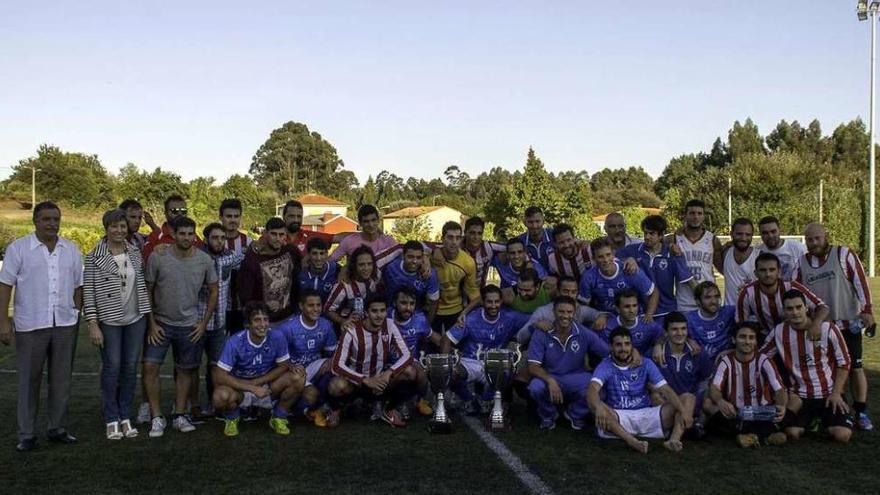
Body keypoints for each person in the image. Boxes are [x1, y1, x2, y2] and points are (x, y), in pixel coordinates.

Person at [0, 202, 83, 452]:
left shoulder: (71, 249)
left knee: (61, 380)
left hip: (65, 324)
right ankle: (26, 434)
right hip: (31, 324)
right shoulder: (19, 249)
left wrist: (76, 311)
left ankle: (57, 428)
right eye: (46, 219)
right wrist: (3, 322)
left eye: (56, 219)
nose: (52, 223)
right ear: (35, 221)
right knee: (29, 380)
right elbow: (5, 286)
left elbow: (79, 286)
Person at [142, 216, 218, 438]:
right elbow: (147, 289)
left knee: (185, 371)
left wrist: (203, 323)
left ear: (195, 236)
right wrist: (152, 323)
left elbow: (214, 290)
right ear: (173, 234)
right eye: (181, 233)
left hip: (189, 326)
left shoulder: (204, 260)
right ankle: (157, 416)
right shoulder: (159, 256)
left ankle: (180, 415)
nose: (186, 237)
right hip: (161, 325)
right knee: (150, 368)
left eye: (190, 234)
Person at [796, 222, 874, 430]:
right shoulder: (801, 263)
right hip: (820, 328)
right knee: (826, 370)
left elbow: (860, 282)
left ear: (826, 236)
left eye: (817, 238)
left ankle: (861, 411)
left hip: (848, 324)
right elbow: (796, 292)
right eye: (809, 240)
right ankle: (834, 410)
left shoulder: (844, 254)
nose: (813, 243)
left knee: (855, 368)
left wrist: (867, 310)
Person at [83, 209, 152, 440]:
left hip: (135, 319)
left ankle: (125, 416)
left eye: (122, 226)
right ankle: (111, 417)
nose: (119, 230)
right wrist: (93, 323)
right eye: (114, 226)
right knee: (112, 368)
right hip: (109, 321)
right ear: (106, 228)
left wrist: (147, 317)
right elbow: (89, 293)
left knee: (130, 368)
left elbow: (141, 286)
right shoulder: (93, 256)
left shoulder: (134, 252)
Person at [760, 290, 853, 443]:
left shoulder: (828, 329)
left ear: (806, 308)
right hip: (800, 395)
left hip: (829, 393)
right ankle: (813, 420)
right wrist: (732, 352)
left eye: (798, 307)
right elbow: (761, 357)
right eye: (789, 309)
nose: (795, 313)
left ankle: (823, 419)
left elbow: (844, 363)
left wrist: (836, 393)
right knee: (792, 433)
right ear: (784, 311)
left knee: (842, 436)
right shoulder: (779, 332)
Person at [588, 327, 692, 453]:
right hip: (620, 417)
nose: (623, 349)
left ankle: (673, 440)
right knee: (599, 407)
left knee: (688, 398)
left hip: (647, 414)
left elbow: (665, 389)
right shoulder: (606, 365)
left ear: (632, 345)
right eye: (618, 345)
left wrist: (683, 411)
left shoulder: (646, 363)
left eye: (627, 344)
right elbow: (592, 388)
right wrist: (598, 405)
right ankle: (632, 442)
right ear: (611, 347)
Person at [213, 301, 305, 437]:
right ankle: (232, 418)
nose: (262, 325)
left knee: (298, 378)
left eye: (265, 319)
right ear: (247, 324)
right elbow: (220, 375)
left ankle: (278, 416)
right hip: (240, 388)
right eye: (257, 320)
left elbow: (284, 365)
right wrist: (251, 387)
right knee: (219, 397)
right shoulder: (234, 342)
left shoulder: (277, 336)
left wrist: (257, 382)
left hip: (267, 387)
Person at [329, 294, 416, 427]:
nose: (379, 315)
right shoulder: (351, 329)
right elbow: (336, 365)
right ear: (366, 312)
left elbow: (407, 355)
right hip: (358, 383)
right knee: (336, 385)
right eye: (374, 311)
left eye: (382, 311)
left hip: (381, 381)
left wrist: (388, 373)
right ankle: (337, 409)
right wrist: (365, 380)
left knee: (410, 371)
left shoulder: (390, 325)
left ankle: (389, 408)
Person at [527, 296, 610, 430]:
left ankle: (574, 413)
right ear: (553, 312)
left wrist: (634, 353)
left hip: (576, 376)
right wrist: (550, 380)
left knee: (600, 390)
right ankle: (548, 414)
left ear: (575, 312)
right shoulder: (541, 332)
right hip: (551, 375)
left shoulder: (583, 332)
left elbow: (607, 352)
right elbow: (533, 366)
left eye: (569, 312)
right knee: (535, 387)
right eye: (561, 312)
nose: (565, 316)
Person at [441, 285, 528, 413]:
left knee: (510, 368)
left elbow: (535, 319)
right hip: (470, 362)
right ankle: (467, 399)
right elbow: (446, 339)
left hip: (494, 364)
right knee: (450, 372)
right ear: (482, 302)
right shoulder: (470, 319)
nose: (493, 305)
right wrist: (445, 362)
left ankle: (486, 400)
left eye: (496, 301)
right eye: (489, 301)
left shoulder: (510, 317)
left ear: (501, 301)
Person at [190, 222, 244, 419]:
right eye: (215, 237)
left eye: (222, 238)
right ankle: (194, 407)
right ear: (206, 239)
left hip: (219, 324)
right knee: (192, 366)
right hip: (196, 323)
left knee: (217, 367)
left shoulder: (229, 257)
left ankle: (216, 404)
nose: (219, 241)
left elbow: (247, 257)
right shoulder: (196, 258)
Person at [704, 321, 788, 448]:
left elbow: (779, 390)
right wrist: (721, 401)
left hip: (760, 412)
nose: (747, 341)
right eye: (742, 337)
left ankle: (747, 437)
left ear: (755, 341)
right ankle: (764, 437)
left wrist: (781, 406)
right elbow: (714, 387)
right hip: (735, 413)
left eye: (751, 338)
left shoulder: (764, 360)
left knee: (782, 411)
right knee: (708, 404)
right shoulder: (726, 361)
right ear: (734, 339)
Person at [275, 289, 338, 427]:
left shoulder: (325, 324)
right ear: (301, 306)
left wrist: (331, 361)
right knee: (311, 394)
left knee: (333, 364)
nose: (316, 309)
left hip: (312, 367)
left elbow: (332, 353)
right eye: (311, 305)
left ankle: (321, 407)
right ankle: (290, 407)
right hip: (292, 371)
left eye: (318, 305)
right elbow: (275, 356)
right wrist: (289, 366)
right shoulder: (287, 328)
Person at [618, 215, 693, 321]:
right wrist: (627, 259)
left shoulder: (672, 254)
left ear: (661, 235)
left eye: (652, 233)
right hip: (640, 313)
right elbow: (611, 258)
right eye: (645, 233)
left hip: (666, 312)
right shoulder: (633, 250)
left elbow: (687, 278)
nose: (647, 237)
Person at [736, 252, 828, 338]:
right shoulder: (747, 293)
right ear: (756, 273)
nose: (768, 274)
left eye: (772, 270)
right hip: (767, 336)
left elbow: (822, 307)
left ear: (779, 272)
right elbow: (740, 324)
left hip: (797, 334)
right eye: (763, 270)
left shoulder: (792, 287)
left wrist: (816, 324)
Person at [654, 312, 712, 437]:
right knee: (654, 396)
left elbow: (706, 380)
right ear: (666, 332)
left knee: (696, 396)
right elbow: (649, 383)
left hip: (691, 402)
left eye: (683, 329)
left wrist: (699, 398)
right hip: (667, 404)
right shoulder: (656, 355)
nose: (680, 333)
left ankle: (680, 432)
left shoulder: (698, 353)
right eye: (674, 329)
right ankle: (687, 427)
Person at [389, 287, 440, 419]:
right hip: (386, 362)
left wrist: (451, 349)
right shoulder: (385, 316)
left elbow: (433, 337)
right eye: (404, 303)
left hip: (410, 360)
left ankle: (420, 401)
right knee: (409, 372)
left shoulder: (419, 319)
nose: (408, 307)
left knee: (420, 373)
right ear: (395, 303)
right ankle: (390, 402)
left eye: (412, 304)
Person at [238, 217, 302, 322]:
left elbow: (304, 267)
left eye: (281, 234)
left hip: (290, 317)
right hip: (263, 321)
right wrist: (264, 305)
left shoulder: (291, 251)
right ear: (265, 234)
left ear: (286, 235)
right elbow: (245, 298)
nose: (278, 238)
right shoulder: (252, 260)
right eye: (273, 234)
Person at [516, 275, 607, 346]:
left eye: (573, 292)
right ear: (558, 292)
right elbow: (520, 338)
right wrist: (535, 325)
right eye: (566, 291)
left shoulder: (581, 310)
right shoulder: (542, 312)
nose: (569, 295)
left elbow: (601, 314)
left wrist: (602, 317)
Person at [579, 238, 658, 318]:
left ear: (613, 254)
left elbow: (654, 292)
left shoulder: (630, 269)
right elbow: (583, 306)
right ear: (593, 258)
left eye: (608, 255)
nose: (606, 260)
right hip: (607, 319)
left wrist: (649, 315)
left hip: (633, 317)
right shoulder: (588, 277)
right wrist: (597, 316)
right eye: (600, 257)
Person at [672, 199, 724, 312]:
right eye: (692, 213)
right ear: (685, 216)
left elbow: (723, 268)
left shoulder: (712, 240)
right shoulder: (674, 239)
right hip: (684, 302)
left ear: (704, 216)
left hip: (708, 300)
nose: (696, 217)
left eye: (699, 213)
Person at [431, 221, 481, 335]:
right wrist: (434, 252)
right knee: (431, 349)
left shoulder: (468, 262)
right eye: (450, 237)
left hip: (455, 310)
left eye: (458, 238)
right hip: (431, 309)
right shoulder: (430, 256)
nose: (454, 242)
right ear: (442, 238)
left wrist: (464, 313)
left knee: (455, 349)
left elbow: (476, 296)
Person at [325, 245, 382, 329]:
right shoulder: (343, 286)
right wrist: (343, 321)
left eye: (369, 264)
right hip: (347, 330)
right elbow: (328, 310)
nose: (366, 268)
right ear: (354, 266)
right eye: (361, 265)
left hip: (367, 327)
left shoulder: (376, 276)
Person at [380, 240, 439, 321]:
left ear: (423, 258)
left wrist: (427, 324)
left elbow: (434, 303)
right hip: (391, 317)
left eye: (418, 258)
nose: (414, 261)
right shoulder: (390, 268)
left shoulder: (429, 274)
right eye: (410, 257)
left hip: (416, 318)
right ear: (403, 256)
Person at [219, 198, 252, 335]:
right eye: (228, 216)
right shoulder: (213, 242)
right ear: (221, 217)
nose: (233, 220)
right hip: (219, 306)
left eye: (236, 216)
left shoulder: (248, 242)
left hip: (241, 306)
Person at [685, 281, 736, 362]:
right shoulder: (689, 319)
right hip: (701, 365)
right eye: (708, 297)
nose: (714, 301)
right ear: (697, 301)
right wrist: (687, 340)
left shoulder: (729, 312)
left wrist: (732, 351)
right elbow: (670, 333)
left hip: (727, 362)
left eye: (716, 296)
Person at [602, 289, 663, 356]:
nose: (631, 310)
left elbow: (663, 335)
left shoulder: (646, 323)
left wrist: (658, 345)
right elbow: (606, 352)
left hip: (644, 362)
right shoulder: (608, 328)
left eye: (634, 306)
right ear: (618, 309)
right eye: (627, 307)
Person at [142, 195, 202, 260]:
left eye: (183, 211)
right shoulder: (155, 237)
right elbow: (146, 264)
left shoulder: (194, 237)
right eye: (174, 211)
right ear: (165, 213)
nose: (180, 214)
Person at [279, 200, 349, 256]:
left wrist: (359, 235)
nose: (296, 220)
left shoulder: (310, 236)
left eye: (299, 216)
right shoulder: (274, 237)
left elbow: (338, 237)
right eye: (292, 216)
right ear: (284, 217)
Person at [330, 204, 397, 262]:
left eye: (373, 220)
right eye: (366, 221)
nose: (371, 224)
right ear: (360, 223)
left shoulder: (389, 242)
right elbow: (330, 262)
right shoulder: (349, 241)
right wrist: (343, 270)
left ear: (378, 220)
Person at [493, 238, 547, 303]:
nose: (516, 256)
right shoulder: (499, 262)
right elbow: (486, 246)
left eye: (520, 252)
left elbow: (546, 289)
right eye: (512, 253)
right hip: (506, 305)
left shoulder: (537, 269)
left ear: (525, 253)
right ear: (507, 255)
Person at [720, 218, 759, 307]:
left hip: (752, 312)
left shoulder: (759, 255)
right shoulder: (724, 252)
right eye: (739, 234)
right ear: (731, 234)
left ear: (752, 235)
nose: (743, 238)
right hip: (729, 312)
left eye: (747, 234)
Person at [755, 215, 806, 282]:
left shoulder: (797, 248)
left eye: (773, 231)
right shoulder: (757, 253)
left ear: (780, 230)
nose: (770, 236)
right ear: (760, 234)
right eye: (765, 233)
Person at [462, 216, 506, 287]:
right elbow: (438, 246)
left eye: (479, 233)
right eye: (472, 233)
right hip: (458, 292)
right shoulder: (456, 246)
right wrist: (438, 253)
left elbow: (512, 247)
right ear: (465, 232)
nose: (476, 237)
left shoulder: (489, 246)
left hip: (481, 291)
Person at [297, 237, 339, 303]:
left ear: (327, 254)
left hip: (329, 312)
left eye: (322, 253)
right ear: (308, 255)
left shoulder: (337, 270)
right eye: (314, 253)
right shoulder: (300, 272)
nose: (318, 258)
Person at [516, 206, 554, 271]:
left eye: (537, 221)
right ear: (525, 223)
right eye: (530, 222)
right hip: (531, 279)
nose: (534, 226)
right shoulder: (519, 241)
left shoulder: (554, 235)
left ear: (543, 221)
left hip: (555, 279)